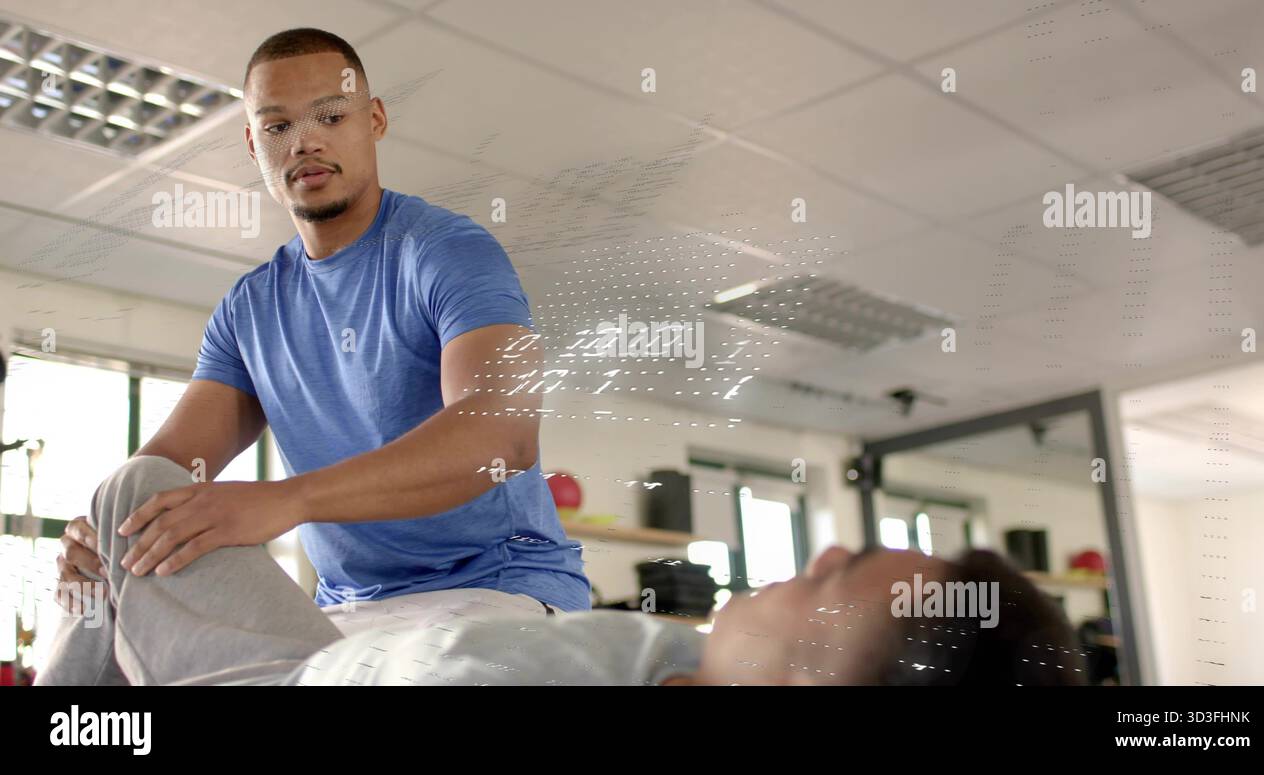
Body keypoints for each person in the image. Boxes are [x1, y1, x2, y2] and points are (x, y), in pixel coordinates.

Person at [42, 28, 591, 684]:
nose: (304, 141)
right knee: (130, 498)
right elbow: (165, 468)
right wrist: (100, 531)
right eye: (277, 126)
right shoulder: (249, 309)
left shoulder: (445, 252)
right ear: (254, 144)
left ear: (374, 120)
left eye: (331, 116)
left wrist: (289, 500)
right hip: (347, 619)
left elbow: (502, 434)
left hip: (493, 597)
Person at [40, 455, 1085, 685]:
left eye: (835, 577)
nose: (815, 555)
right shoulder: (686, 655)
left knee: (134, 499)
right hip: (327, 652)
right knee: (136, 503)